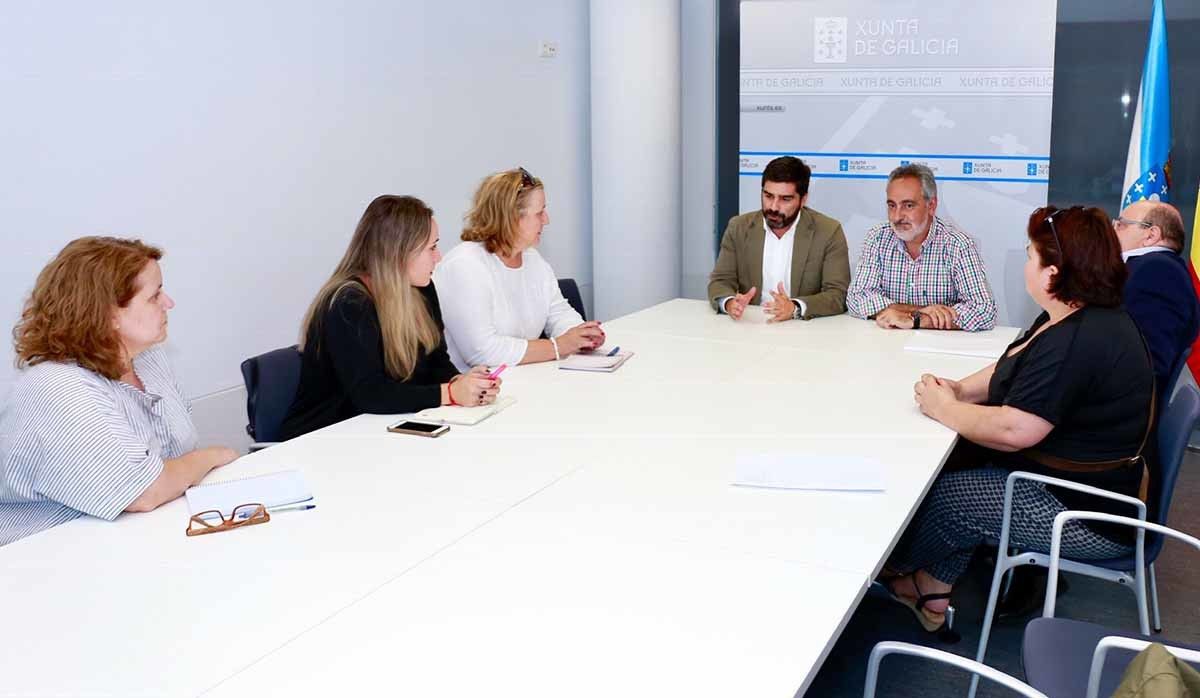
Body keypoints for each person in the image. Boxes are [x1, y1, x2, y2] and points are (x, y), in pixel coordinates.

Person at [884, 206, 1154, 631]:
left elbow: (1015, 431)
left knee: (950, 497)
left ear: (1053, 272)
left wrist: (945, 409)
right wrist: (958, 390)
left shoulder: (1079, 339)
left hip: (1087, 513)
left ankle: (891, 570)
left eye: (1031, 256)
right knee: (962, 466)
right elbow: (1010, 368)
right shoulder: (1070, 316)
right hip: (1075, 485)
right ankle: (932, 589)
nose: (1026, 263)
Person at [0, 237, 239, 547]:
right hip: (45, 556)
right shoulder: (54, 387)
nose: (169, 303)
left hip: (138, 536)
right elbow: (143, 492)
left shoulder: (148, 358)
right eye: (154, 296)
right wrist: (215, 455)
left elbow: (174, 462)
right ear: (109, 315)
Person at [279, 195, 499, 440]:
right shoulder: (348, 304)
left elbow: (436, 361)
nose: (439, 257)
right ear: (399, 253)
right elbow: (370, 394)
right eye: (432, 247)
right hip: (323, 439)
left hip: (381, 431)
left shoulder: (422, 288)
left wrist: (465, 383)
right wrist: (450, 393)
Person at [435, 167, 604, 369]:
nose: (547, 220)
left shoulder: (533, 259)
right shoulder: (464, 265)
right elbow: (482, 352)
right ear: (512, 219)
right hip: (475, 391)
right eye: (540, 213)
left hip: (523, 380)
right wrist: (558, 346)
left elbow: (558, 313)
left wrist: (581, 335)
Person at [846, 164, 996, 331]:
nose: (897, 217)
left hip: (941, 349)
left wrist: (919, 320)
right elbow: (856, 298)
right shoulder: (877, 238)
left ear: (931, 205)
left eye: (908, 206)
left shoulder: (957, 245)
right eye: (892, 205)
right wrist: (917, 312)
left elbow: (984, 311)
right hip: (887, 345)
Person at [708, 156, 850, 322]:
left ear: (803, 199)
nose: (774, 207)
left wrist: (795, 307)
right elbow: (720, 281)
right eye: (768, 196)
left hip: (804, 330)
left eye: (785, 199)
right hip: (750, 325)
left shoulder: (829, 231)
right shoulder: (739, 227)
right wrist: (730, 302)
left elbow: (838, 294)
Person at [1114, 199, 1200, 405]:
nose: (1112, 230)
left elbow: (1147, 363)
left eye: (1121, 224)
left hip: (1122, 415)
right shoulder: (1150, 268)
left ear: (1151, 235)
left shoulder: (1156, 271)